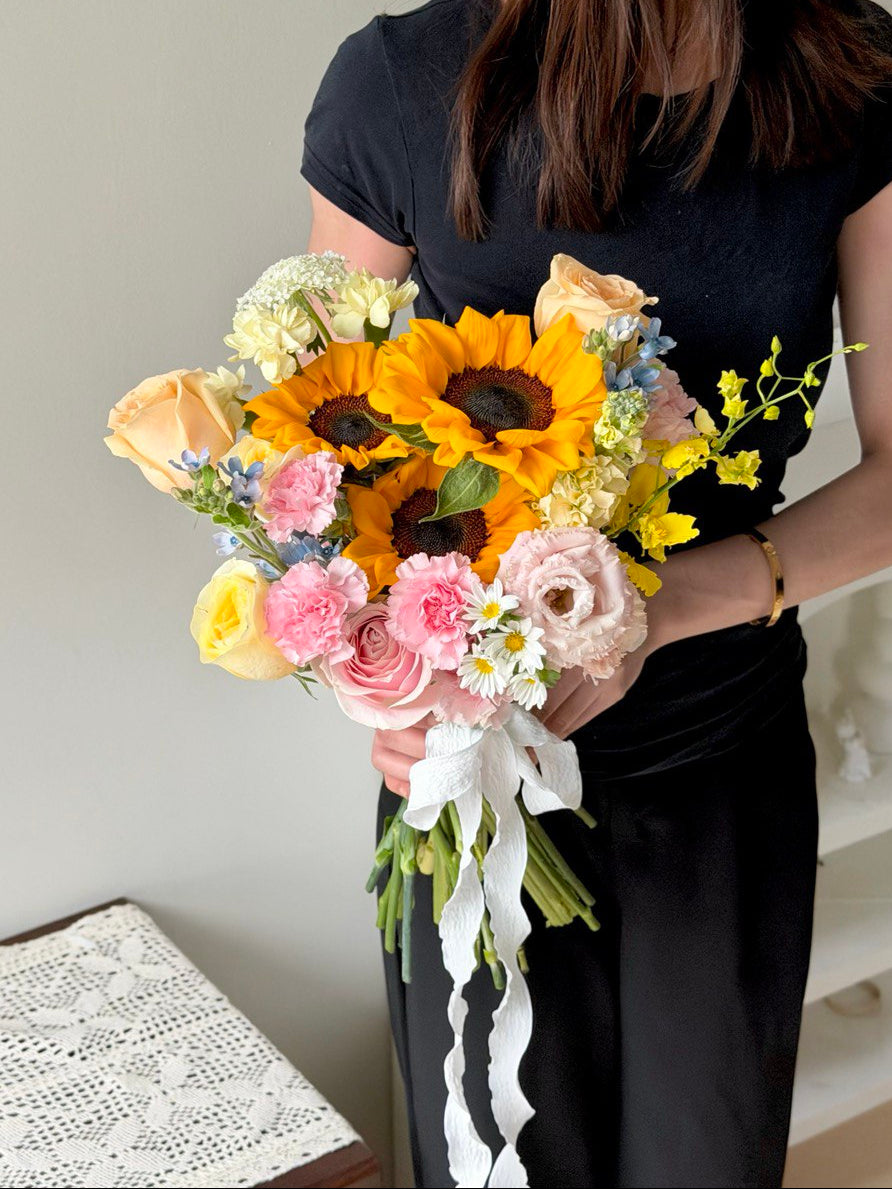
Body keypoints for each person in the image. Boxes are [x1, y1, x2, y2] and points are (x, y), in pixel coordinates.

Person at [299, 1, 892, 1185]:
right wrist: (376, 679)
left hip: (721, 763)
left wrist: (655, 609)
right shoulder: (401, 82)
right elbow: (313, 465)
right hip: (482, 772)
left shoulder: (853, 75)